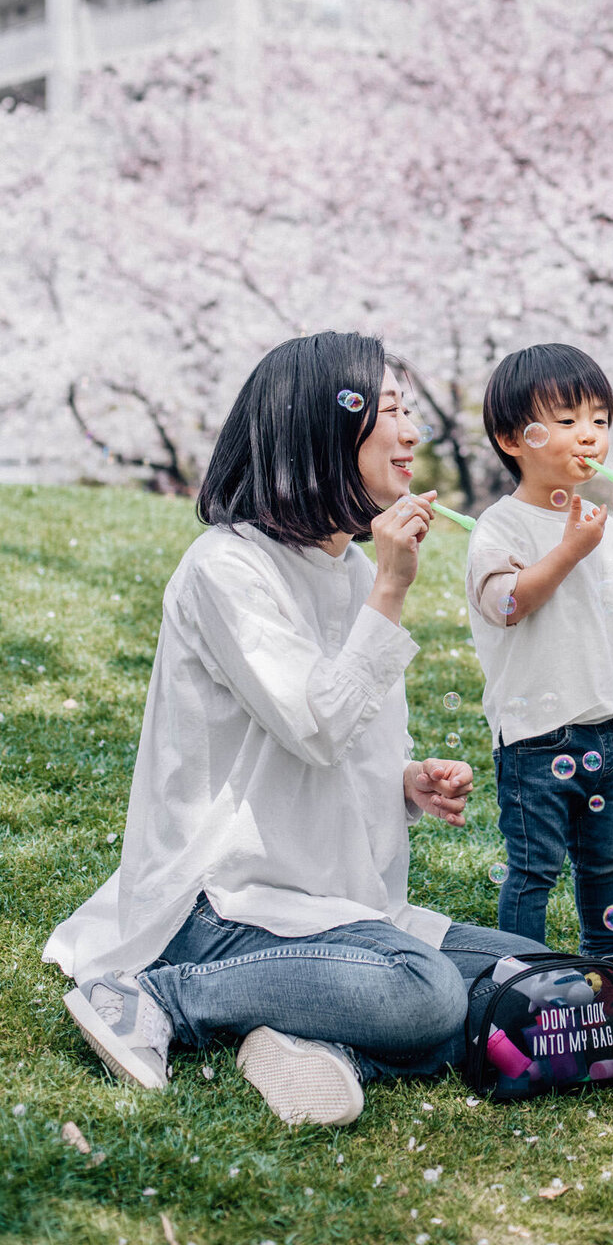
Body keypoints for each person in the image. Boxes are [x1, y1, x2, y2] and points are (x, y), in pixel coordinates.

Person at [43, 332, 541, 1125]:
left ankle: (316, 1041)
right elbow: (316, 727)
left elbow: (342, 743)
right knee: (429, 995)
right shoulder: (227, 568)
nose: (413, 434)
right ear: (319, 430)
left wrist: (406, 783)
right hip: (224, 907)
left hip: (338, 901)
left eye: (410, 413)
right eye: (390, 412)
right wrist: (389, 591)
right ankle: (151, 999)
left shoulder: (347, 569)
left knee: (541, 978)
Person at [464, 344, 613, 1021]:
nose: (589, 434)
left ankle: (609, 967)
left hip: (604, 729)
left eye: (599, 419)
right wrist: (570, 549)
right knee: (535, 869)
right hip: (536, 737)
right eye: (569, 418)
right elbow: (508, 605)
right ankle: (519, 980)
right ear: (514, 439)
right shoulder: (502, 525)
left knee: (605, 863)